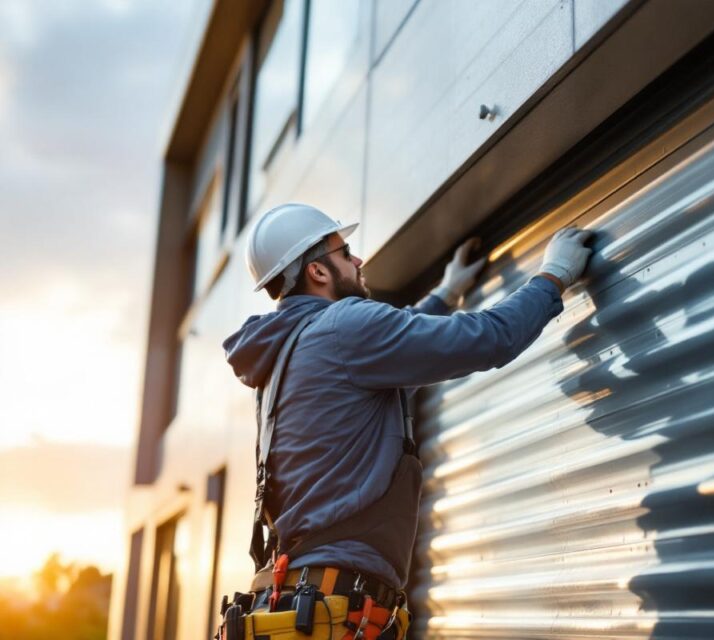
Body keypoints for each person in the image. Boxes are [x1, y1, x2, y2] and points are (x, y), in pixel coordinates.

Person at [222, 203, 592, 633]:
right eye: (345, 252)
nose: (358, 260)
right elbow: (489, 339)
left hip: (307, 602)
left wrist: (445, 294)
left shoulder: (287, 356)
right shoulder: (345, 327)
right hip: (335, 607)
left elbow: (402, 344)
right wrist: (553, 277)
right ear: (318, 272)